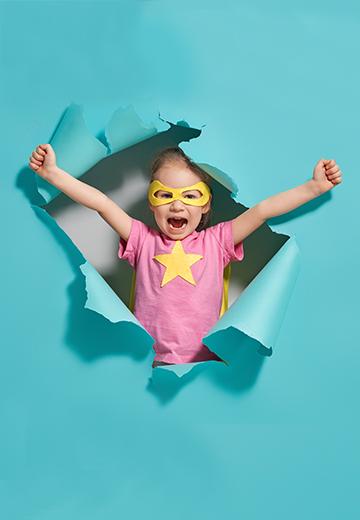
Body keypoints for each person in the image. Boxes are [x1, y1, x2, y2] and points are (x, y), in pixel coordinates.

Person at [28, 144, 343, 367]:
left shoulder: (217, 242)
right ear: (152, 203)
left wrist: (314, 188)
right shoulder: (142, 239)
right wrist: (53, 175)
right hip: (148, 364)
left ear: (205, 205)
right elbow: (102, 204)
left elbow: (261, 211)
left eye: (190, 196)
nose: (177, 206)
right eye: (165, 195)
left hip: (206, 366)